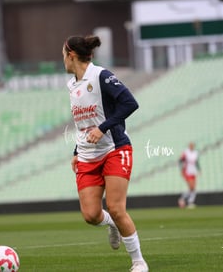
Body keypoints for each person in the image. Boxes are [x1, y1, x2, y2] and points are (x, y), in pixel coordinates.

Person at [62, 35, 149, 272]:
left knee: (116, 207)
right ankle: (111, 224)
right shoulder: (71, 85)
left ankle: (139, 262)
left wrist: (103, 128)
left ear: (71, 55)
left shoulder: (101, 75)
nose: (63, 60)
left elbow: (130, 103)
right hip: (87, 156)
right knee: (91, 215)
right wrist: (76, 151)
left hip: (114, 149)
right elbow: (83, 123)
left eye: (63, 55)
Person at [178, 142, 201, 209]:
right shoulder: (186, 152)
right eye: (190, 145)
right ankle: (184, 199)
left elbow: (196, 162)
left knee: (193, 188)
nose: (192, 146)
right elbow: (180, 161)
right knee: (191, 187)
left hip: (193, 171)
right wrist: (181, 170)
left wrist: (199, 170)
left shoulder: (195, 153)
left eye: (192, 145)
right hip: (187, 171)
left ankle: (189, 202)